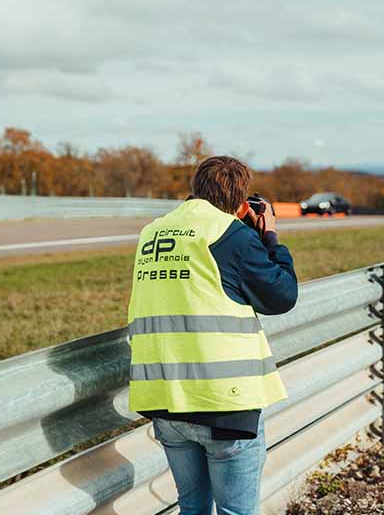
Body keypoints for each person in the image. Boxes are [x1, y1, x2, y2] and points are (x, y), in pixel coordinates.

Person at [127, 155, 298, 515]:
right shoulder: (231, 235)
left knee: (192, 509)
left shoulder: (153, 231)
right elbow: (281, 295)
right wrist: (269, 236)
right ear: (240, 202)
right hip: (223, 404)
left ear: (196, 188)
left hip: (165, 398)